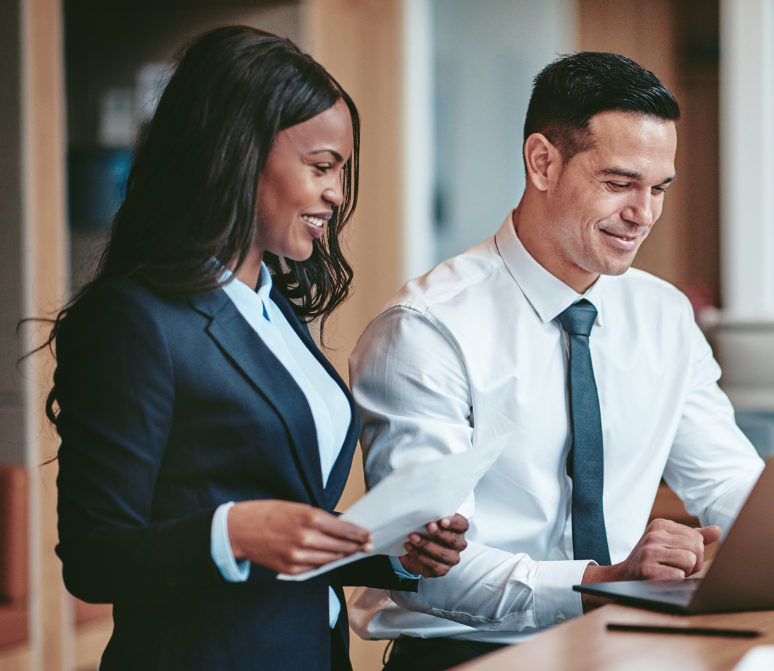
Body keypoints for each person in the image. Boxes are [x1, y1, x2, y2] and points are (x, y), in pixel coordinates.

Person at [50, 26, 468, 671]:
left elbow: (285, 517)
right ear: (239, 154)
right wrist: (236, 531)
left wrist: (387, 548)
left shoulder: (272, 308)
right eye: (321, 166)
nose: (336, 193)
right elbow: (94, 556)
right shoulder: (136, 320)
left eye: (341, 171)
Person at [348, 51, 765, 671]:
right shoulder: (427, 330)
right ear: (543, 161)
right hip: (470, 657)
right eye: (619, 184)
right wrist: (605, 579)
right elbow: (433, 570)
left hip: (628, 650)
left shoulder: (664, 314)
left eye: (658, 190)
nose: (643, 215)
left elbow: (727, 480)